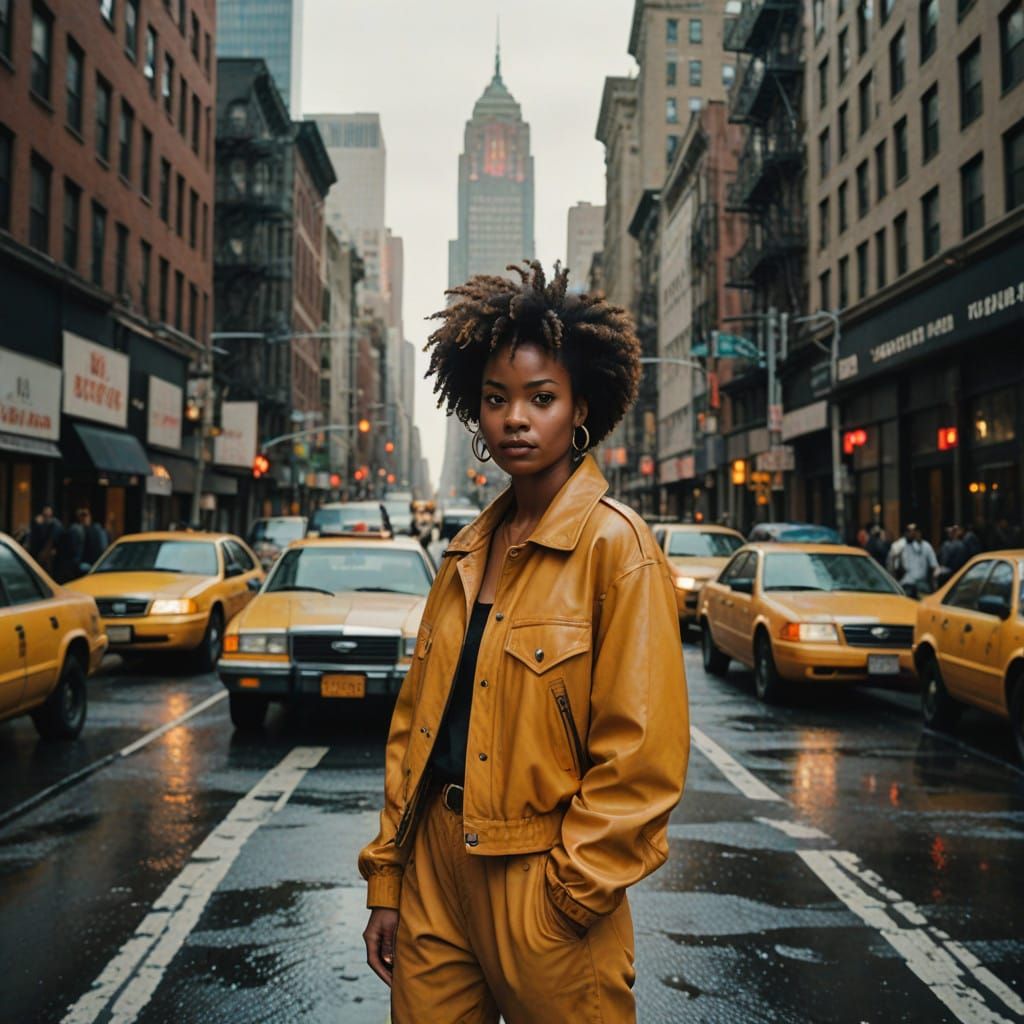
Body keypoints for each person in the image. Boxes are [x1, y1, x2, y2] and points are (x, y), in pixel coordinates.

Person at [359, 261, 689, 1023]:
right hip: (434, 870)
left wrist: (569, 897)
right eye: (496, 399)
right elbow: (415, 732)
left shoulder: (618, 549)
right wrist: (390, 881)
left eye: (541, 399)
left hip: (544, 878)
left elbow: (642, 756)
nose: (515, 418)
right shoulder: (465, 552)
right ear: (474, 415)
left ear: (579, 409)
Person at [896, 522, 938, 595]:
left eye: (915, 532)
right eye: (910, 532)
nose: (913, 534)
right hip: (907, 581)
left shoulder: (927, 546)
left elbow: (934, 565)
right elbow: (900, 566)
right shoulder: (904, 546)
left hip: (921, 582)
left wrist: (934, 580)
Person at [27, 504, 63, 575]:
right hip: (40, 554)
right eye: (44, 515)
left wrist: (44, 553)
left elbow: (51, 541)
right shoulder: (41, 524)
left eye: (48, 515)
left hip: (50, 555)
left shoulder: (55, 524)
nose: (46, 517)